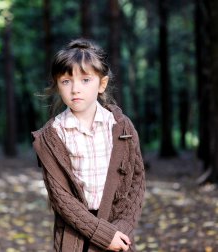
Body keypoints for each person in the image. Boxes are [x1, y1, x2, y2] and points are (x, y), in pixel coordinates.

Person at [32, 38, 145, 252]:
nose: (75, 89)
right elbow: (61, 198)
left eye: (85, 80)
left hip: (118, 233)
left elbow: (136, 182)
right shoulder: (52, 136)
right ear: (57, 85)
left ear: (101, 84)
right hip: (74, 236)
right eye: (66, 81)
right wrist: (103, 235)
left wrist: (121, 230)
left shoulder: (122, 128)